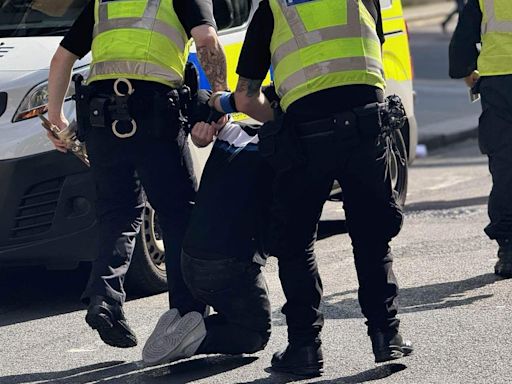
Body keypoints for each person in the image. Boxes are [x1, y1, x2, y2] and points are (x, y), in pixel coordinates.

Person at [209, 0, 413, 377]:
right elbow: (371, 63)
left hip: (305, 140)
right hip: (367, 129)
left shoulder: (273, 7)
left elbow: (246, 98)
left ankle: (305, 348)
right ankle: (387, 335)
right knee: (371, 237)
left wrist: (284, 117)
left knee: (296, 242)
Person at [46, 0, 228, 348]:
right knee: (178, 214)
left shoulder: (105, 2)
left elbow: (61, 58)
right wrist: (219, 99)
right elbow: (205, 39)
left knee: (118, 212)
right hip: (154, 112)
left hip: (100, 118)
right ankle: (187, 314)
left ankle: (105, 299)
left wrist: (56, 119)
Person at [142, 88, 277, 366]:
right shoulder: (285, 147)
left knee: (234, 305)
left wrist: (215, 110)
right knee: (254, 333)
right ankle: (197, 335)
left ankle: (178, 324)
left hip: (190, 259)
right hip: (230, 265)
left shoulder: (233, 130)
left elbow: (204, 99)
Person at [449, 0, 512, 278]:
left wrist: (466, 72)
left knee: (505, 167)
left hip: (499, 85)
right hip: (498, 83)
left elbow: (464, 36)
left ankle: (509, 249)